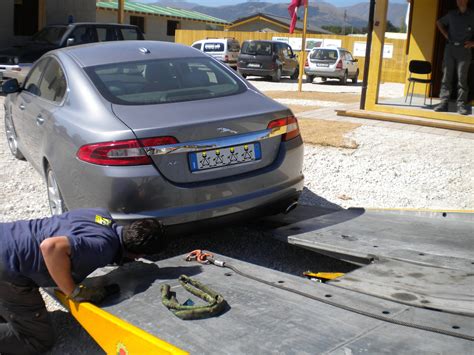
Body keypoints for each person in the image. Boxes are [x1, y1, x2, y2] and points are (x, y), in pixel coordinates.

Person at [0, 208, 165, 354]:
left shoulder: (101, 215)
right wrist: (74, 292)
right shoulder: (103, 247)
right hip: (8, 267)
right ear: (139, 255)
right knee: (37, 340)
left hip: (6, 236)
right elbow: (51, 247)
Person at [435, 0, 474, 115]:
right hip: (450, 49)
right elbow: (439, 23)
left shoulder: (472, 15)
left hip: (464, 50)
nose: (460, 1)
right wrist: (446, 35)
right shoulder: (451, 15)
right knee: (446, 77)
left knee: (462, 79)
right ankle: (443, 103)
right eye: (458, 0)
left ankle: (461, 105)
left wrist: (473, 43)